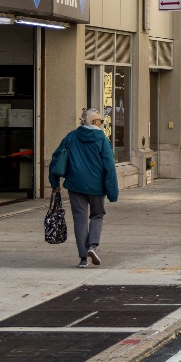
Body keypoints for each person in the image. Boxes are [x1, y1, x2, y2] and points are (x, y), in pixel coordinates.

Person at [49, 109, 120, 268]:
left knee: (79, 219)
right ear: (95, 122)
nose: (101, 123)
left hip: (75, 185)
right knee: (97, 215)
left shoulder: (72, 136)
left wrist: (55, 184)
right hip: (96, 186)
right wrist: (112, 192)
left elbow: (56, 159)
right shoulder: (101, 139)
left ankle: (83, 259)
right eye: (100, 121)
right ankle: (92, 246)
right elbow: (109, 166)